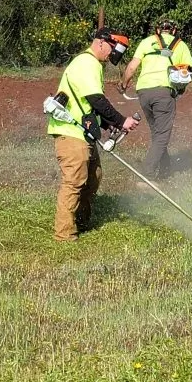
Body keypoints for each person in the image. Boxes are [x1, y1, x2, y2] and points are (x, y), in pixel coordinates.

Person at [47, 28, 140, 242]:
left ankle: (81, 221)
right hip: (70, 132)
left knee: (94, 177)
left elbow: (91, 105)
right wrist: (120, 120)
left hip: (83, 133)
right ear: (100, 43)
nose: (112, 55)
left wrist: (110, 124)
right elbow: (96, 99)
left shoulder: (93, 65)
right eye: (111, 49)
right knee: (74, 181)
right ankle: (64, 234)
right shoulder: (86, 62)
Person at [120, 19, 192, 181]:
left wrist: (124, 84)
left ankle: (165, 169)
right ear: (174, 31)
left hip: (144, 91)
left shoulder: (147, 41)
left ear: (158, 30)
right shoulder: (181, 45)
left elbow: (132, 67)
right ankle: (146, 174)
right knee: (162, 135)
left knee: (157, 132)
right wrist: (179, 91)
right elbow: (187, 73)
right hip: (164, 92)